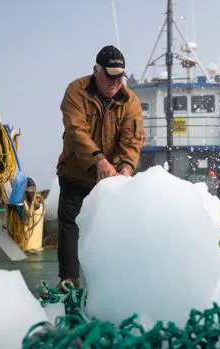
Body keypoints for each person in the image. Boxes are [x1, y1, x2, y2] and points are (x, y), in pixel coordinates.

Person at [55, 45, 144, 287]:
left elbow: (132, 140)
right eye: (110, 75)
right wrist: (99, 161)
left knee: (111, 230)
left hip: (110, 180)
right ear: (96, 70)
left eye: (120, 76)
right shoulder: (76, 90)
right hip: (76, 173)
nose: (116, 82)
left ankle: (109, 285)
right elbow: (76, 131)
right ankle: (69, 281)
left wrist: (125, 168)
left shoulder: (131, 101)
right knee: (70, 224)